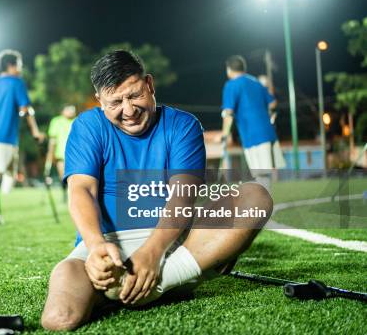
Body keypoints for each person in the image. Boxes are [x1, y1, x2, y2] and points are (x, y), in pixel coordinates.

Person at [40, 50, 273, 331]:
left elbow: (183, 196)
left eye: (134, 95)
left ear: (149, 84)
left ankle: (148, 283)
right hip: (108, 247)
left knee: (255, 197)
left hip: (174, 247)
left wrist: (152, 254)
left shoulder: (182, 125)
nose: (128, 110)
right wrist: (96, 247)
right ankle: (144, 287)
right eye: (115, 102)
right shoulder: (87, 126)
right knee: (59, 319)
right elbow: (81, 191)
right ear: (100, 101)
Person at [0, 49, 44, 224]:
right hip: (5, 135)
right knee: (2, 171)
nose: (21, 68)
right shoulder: (17, 82)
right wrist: (35, 132)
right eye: (20, 64)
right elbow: (25, 109)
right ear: (11, 65)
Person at [220, 55, 285, 188]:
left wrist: (224, 135)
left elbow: (228, 113)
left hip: (251, 135)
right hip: (267, 132)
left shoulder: (231, 85)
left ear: (229, 70)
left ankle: (265, 206)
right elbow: (272, 103)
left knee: (259, 174)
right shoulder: (256, 82)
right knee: (263, 174)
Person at [45, 105, 76, 200]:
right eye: (69, 110)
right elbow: (52, 140)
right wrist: (50, 154)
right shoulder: (56, 121)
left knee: (73, 178)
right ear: (63, 111)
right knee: (63, 177)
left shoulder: (77, 121)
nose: (71, 112)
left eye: (73, 110)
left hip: (75, 154)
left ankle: (73, 196)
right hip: (60, 155)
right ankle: (65, 196)